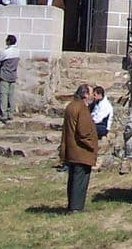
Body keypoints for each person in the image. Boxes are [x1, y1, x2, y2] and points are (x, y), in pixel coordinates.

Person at [58, 84, 98, 213]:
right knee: (80, 180)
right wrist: (92, 145)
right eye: (91, 93)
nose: (93, 96)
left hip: (73, 149)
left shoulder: (71, 106)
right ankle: (76, 207)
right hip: (81, 150)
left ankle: (73, 205)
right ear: (85, 94)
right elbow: (84, 131)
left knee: (74, 179)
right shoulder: (82, 108)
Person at [0, 35, 20, 122]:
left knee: (4, 95)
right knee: (11, 95)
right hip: (13, 75)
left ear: (9, 41)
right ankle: (11, 113)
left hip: (5, 75)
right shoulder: (17, 51)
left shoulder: (6, 52)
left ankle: (4, 114)